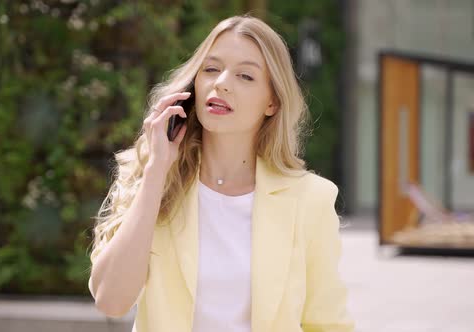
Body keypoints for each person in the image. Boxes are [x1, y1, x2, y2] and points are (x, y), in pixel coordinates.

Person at [88, 14, 354, 332]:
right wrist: (157, 170)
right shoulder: (154, 177)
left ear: (272, 101)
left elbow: (327, 324)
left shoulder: (311, 199)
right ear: (193, 86)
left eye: (245, 76)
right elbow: (110, 300)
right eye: (211, 69)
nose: (222, 83)